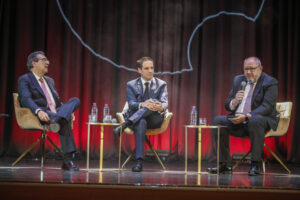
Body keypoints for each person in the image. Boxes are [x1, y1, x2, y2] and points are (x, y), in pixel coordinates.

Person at [207, 56, 279, 176]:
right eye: (246, 69)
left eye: (252, 69)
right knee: (218, 121)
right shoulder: (239, 80)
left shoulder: (270, 82)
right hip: (240, 121)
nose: (248, 72)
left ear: (260, 68)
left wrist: (247, 116)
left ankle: (255, 165)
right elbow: (227, 105)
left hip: (261, 120)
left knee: (255, 120)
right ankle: (225, 164)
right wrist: (234, 101)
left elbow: (267, 106)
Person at [18, 51, 80, 171]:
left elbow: (57, 102)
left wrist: (68, 111)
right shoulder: (25, 79)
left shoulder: (49, 80)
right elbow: (25, 99)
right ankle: (67, 161)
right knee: (64, 120)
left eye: (47, 60)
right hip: (43, 113)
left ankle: (58, 119)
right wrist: (38, 111)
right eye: (44, 60)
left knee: (75, 100)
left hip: (56, 113)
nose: (48, 62)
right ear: (34, 63)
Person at [114, 57, 168, 172]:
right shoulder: (131, 85)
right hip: (138, 121)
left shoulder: (161, 84)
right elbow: (132, 104)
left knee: (152, 101)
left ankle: (126, 124)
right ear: (139, 70)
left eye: (152, 68)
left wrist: (160, 106)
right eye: (147, 68)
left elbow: (165, 102)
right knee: (141, 121)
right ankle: (139, 162)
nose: (150, 71)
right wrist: (143, 104)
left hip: (154, 119)